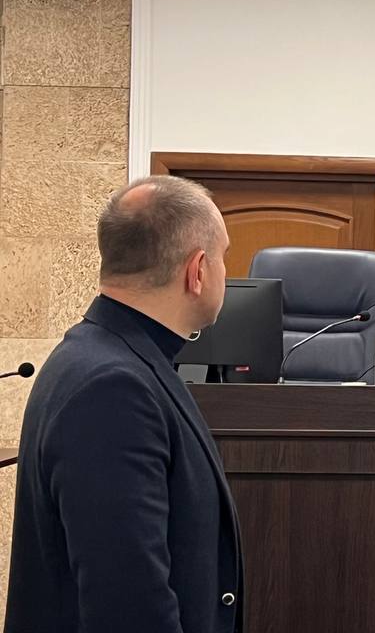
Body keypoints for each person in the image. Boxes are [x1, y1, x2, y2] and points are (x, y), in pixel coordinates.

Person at [5, 176, 244, 633]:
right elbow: (129, 606)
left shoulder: (111, 358)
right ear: (197, 270)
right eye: (224, 257)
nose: (225, 272)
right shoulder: (112, 388)